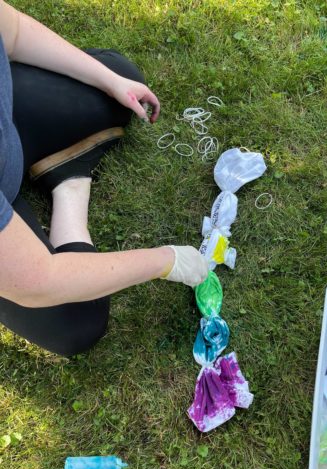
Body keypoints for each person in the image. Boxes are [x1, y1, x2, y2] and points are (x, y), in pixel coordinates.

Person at [0, 1, 208, 356]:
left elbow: (13, 32)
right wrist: (166, 260)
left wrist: (111, 82)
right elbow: (39, 280)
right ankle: (69, 190)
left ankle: (65, 174)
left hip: (9, 135)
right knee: (76, 319)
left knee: (117, 76)